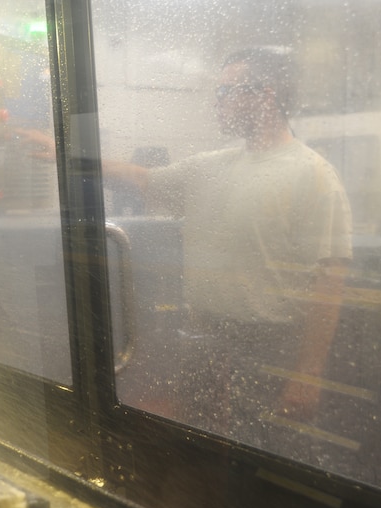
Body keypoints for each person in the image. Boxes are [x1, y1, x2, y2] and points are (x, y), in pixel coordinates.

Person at [106, 47, 353, 446]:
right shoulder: (213, 167)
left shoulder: (311, 173)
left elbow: (330, 279)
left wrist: (307, 374)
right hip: (203, 340)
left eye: (225, 92)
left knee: (253, 459)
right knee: (195, 454)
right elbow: (142, 179)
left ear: (265, 94)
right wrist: (71, 156)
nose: (216, 103)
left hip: (268, 349)